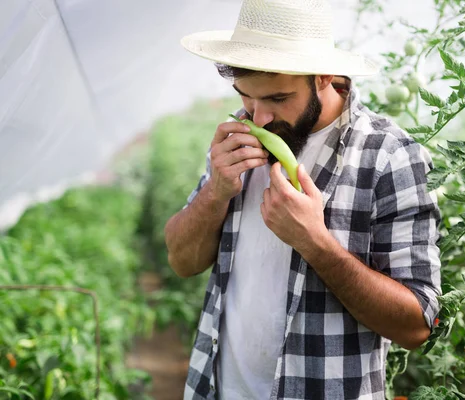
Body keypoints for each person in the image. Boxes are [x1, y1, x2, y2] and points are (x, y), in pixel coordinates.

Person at [165, 1, 442, 399]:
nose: (258, 118)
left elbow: (417, 324)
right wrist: (215, 192)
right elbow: (181, 261)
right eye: (247, 96)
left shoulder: (388, 155)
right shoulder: (239, 136)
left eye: (277, 98)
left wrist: (314, 240)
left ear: (325, 76)